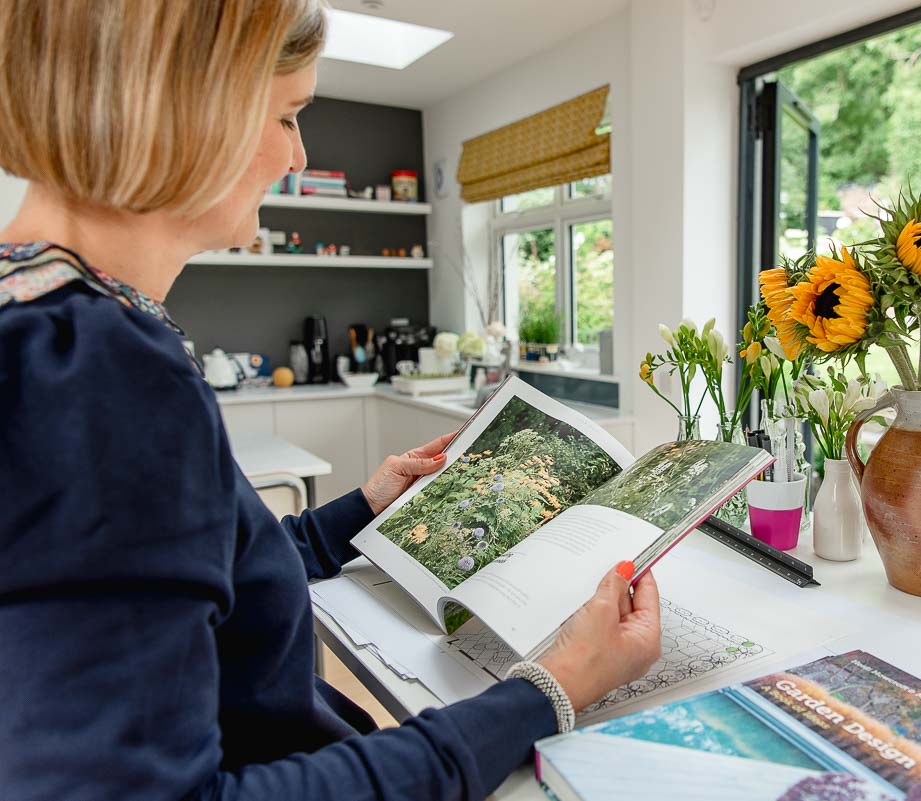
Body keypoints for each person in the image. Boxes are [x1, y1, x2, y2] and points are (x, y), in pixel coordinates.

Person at [0, 2, 661, 799]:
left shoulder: (42, 320)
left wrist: (360, 507)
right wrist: (547, 688)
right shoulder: (101, 376)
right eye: (287, 116)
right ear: (192, 108)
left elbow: (187, 577)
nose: (297, 155)